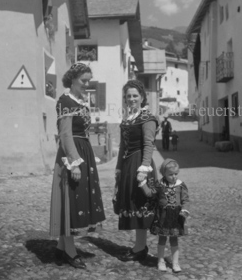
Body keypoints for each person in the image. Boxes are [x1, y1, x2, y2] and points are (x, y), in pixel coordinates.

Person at [49, 63, 106, 269]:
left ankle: (61, 247)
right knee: (71, 201)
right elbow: (65, 134)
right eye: (84, 80)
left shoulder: (80, 101)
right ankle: (70, 252)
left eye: (89, 80)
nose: (87, 84)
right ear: (72, 79)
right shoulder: (65, 101)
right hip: (72, 154)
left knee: (76, 199)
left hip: (84, 151)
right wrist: (73, 164)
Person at [114, 80, 159, 262]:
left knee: (140, 205)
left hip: (141, 164)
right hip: (127, 165)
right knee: (133, 205)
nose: (131, 99)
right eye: (128, 96)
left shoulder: (147, 118)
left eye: (134, 96)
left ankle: (140, 247)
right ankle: (140, 246)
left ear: (141, 97)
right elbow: (123, 145)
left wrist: (144, 169)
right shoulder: (127, 118)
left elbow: (149, 144)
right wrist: (118, 168)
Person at [139, 159, 190, 273]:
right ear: (164, 173)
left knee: (174, 239)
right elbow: (150, 194)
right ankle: (160, 261)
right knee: (162, 238)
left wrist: (184, 210)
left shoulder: (180, 185)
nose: (174, 177)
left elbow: (185, 199)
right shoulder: (159, 185)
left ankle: (175, 262)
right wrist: (142, 184)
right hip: (163, 216)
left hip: (176, 216)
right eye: (170, 174)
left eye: (176, 174)